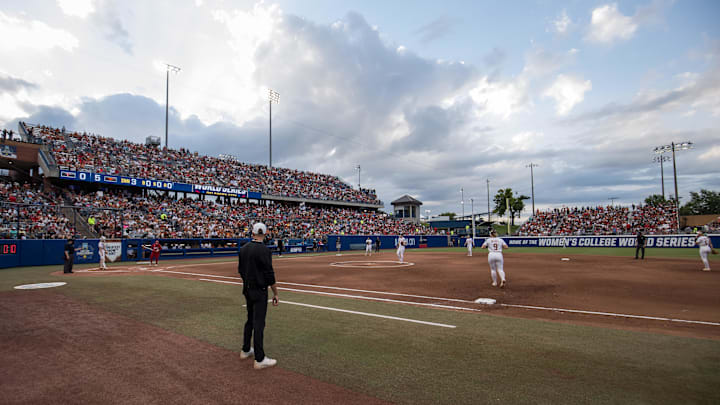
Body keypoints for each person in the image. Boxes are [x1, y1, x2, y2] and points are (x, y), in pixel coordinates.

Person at [238, 223, 279, 369]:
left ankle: (245, 349)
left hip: (247, 289)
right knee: (259, 323)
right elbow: (269, 275)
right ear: (265, 233)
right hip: (260, 291)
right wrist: (275, 293)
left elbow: (241, 270)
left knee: (250, 320)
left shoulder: (243, 249)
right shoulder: (265, 251)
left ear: (253, 233)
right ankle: (260, 359)